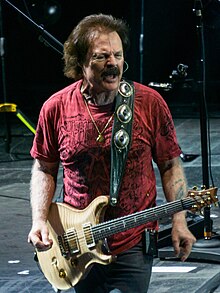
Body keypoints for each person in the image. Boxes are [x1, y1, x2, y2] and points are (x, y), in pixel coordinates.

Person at [28, 13, 196, 293]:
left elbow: (169, 164)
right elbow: (45, 168)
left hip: (132, 240)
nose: (113, 64)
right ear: (80, 63)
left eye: (117, 55)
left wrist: (179, 220)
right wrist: (39, 220)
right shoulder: (55, 108)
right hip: (76, 240)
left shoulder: (148, 103)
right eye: (101, 57)